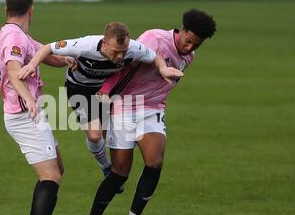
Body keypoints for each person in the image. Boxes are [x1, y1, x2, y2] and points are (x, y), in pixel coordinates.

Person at [79, 9, 217, 215]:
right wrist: (105, 93)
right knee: (120, 173)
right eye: (188, 41)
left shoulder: (189, 57)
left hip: (151, 109)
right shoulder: (154, 39)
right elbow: (123, 64)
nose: (189, 47)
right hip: (123, 105)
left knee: (154, 162)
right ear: (182, 30)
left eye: (196, 45)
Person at [18, 23, 183, 188]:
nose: (120, 56)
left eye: (123, 51)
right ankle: (106, 167)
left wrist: (163, 68)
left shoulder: (133, 48)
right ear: (104, 42)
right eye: (115, 51)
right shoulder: (85, 45)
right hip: (79, 90)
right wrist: (32, 65)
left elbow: (154, 56)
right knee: (95, 135)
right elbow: (48, 48)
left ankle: (108, 163)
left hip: (104, 91)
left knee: (102, 134)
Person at [0, 0, 75, 215]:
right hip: (24, 114)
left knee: (57, 168)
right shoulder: (13, 38)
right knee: (51, 175)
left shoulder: (17, 34)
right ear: (32, 9)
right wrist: (28, 98)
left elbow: (42, 52)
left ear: (6, 9)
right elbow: (14, 70)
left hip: (31, 111)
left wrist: (64, 59)